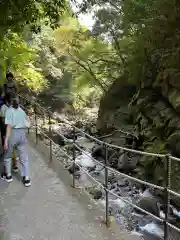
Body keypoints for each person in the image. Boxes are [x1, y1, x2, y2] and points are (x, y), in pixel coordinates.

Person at [3, 96, 31, 187]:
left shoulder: (9, 111)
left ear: (10, 102)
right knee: (24, 157)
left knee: (8, 154)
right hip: (22, 134)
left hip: (13, 134)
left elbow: (9, 127)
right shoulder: (21, 111)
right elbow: (28, 122)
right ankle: (26, 178)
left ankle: (8, 175)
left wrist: (6, 141)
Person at [0, 94, 19, 175]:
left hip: (13, 130)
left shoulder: (12, 107)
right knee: (7, 147)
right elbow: (3, 121)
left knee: (14, 147)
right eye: (10, 100)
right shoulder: (3, 108)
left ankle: (14, 165)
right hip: (6, 130)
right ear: (7, 101)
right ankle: (7, 170)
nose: (12, 102)